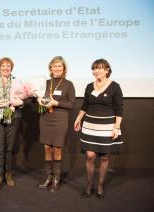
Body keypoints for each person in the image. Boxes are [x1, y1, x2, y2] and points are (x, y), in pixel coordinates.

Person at [74, 59, 123, 198]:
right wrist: (78, 119)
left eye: (100, 68)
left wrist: (116, 127)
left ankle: (100, 185)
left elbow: (119, 109)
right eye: (94, 68)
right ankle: (89, 184)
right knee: (90, 155)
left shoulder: (115, 86)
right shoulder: (90, 86)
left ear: (107, 70)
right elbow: (85, 106)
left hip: (107, 126)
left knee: (104, 157)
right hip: (90, 126)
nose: (97, 71)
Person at [37, 56, 76, 192]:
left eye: (60, 66)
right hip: (45, 117)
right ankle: (48, 177)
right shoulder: (45, 83)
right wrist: (39, 100)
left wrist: (56, 103)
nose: (57, 68)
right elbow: (38, 96)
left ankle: (56, 179)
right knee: (47, 147)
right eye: (55, 66)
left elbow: (71, 104)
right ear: (50, 68)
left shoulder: (68, 84)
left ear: (64, 68)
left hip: (60, 119)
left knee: (57, 149)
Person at [0, 57, 24, 192]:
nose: (6, 68)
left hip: (13, 117)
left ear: (11, 68)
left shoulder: (17, 81)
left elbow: (24, 97)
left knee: (9, 149)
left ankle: (8, 174)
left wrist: (21, 102)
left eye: (8, 66)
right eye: (3, 66)